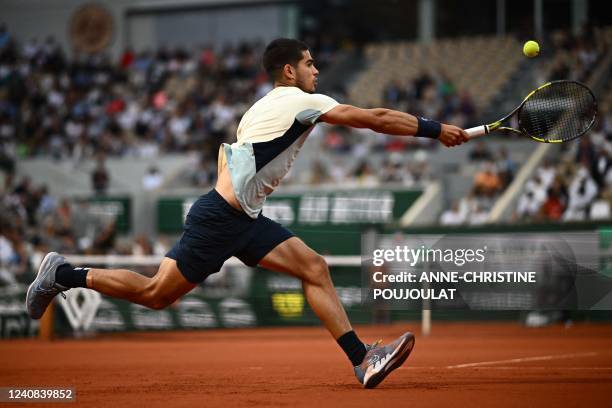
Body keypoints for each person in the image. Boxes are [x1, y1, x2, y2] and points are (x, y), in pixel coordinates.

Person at [26, 38, 468, 388]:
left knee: (314, 267)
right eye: (310, 64)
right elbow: (373, 117)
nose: (317, 71)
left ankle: (362, 359)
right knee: (155, 294)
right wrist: (434, 129)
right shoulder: (298, 100)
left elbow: (233, 158)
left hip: (242, 219)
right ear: (290, 71)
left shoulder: (260, 107)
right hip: (221, 218)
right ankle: (62, 273)